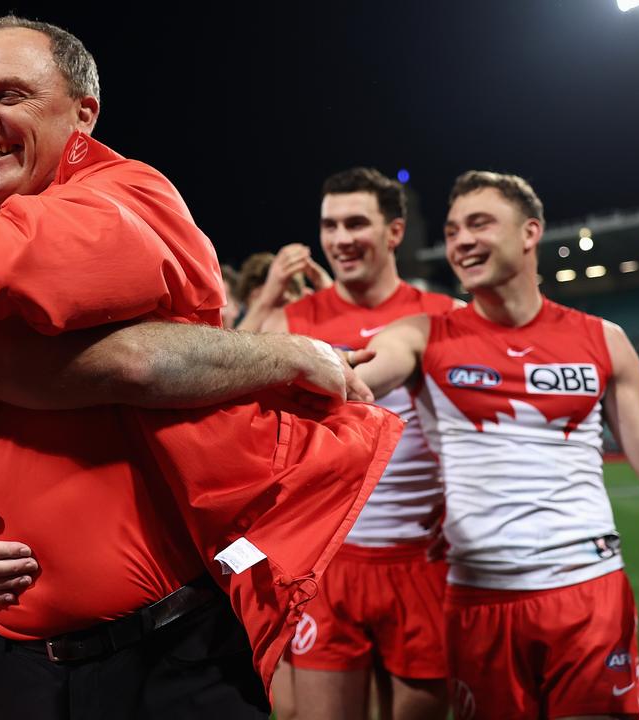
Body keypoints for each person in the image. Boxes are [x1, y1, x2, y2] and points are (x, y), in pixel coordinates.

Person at [0, 17, 400, 719]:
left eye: (9, 94)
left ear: (84, 114)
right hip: (20, 668)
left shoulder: (126, 193)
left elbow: (59, 285)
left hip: (169, 659)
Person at [357, 171, 639, 719]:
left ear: (530, 232)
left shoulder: (603, 340)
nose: (460, 241)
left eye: (479, 224)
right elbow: (357, 378)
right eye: (452, 231)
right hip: (479, 598)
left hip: (588, 593)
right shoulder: (421, 337)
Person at [257, 169, 456, 720]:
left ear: (395, 232)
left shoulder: (441, 317)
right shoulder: (291, 322)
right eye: (329, 225)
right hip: (328, 563)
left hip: (422, 561)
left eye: (356, 223)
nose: (341, 238)